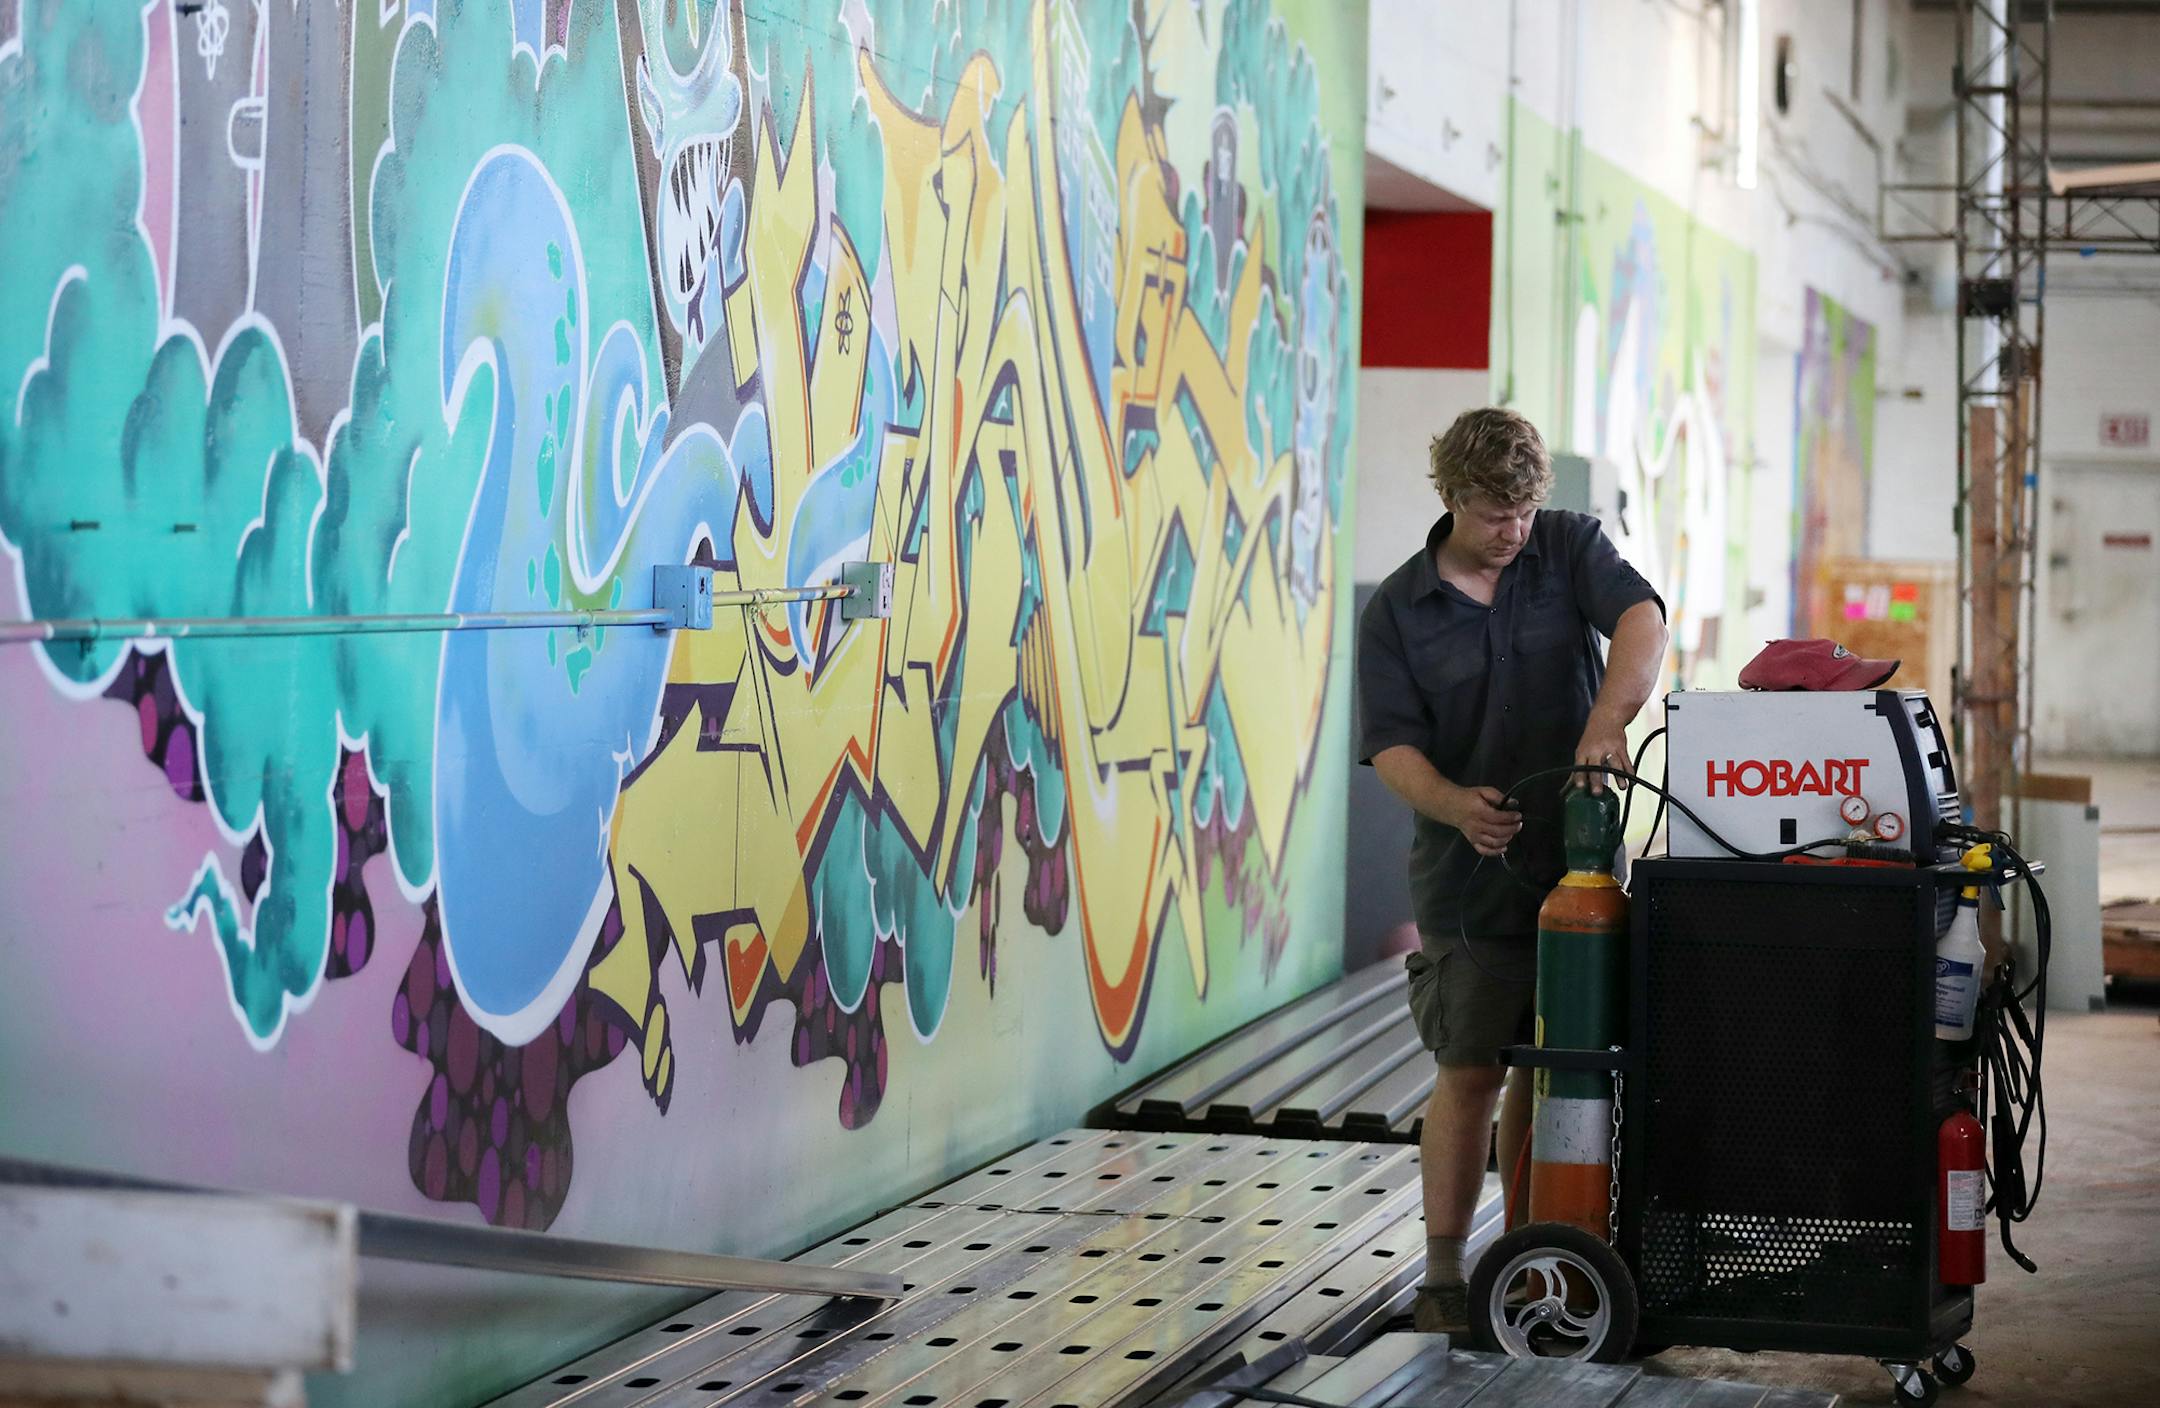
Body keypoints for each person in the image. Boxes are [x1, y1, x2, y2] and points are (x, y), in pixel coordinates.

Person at [1356, 407, 1668, 1333]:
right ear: (1452, 496)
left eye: (1528, 511)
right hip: (1464, 883)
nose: (1515, 532)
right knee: (1471, 1068)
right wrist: (1456, 806)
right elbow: (1390, 747)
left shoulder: (1567, 547)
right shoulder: (1398, 611)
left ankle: (1534, 1254)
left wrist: (1606, 723)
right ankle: (1446, 1274)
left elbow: (1642, 621)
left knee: (1558, 1066)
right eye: (1497, 514)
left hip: (1576, 874)